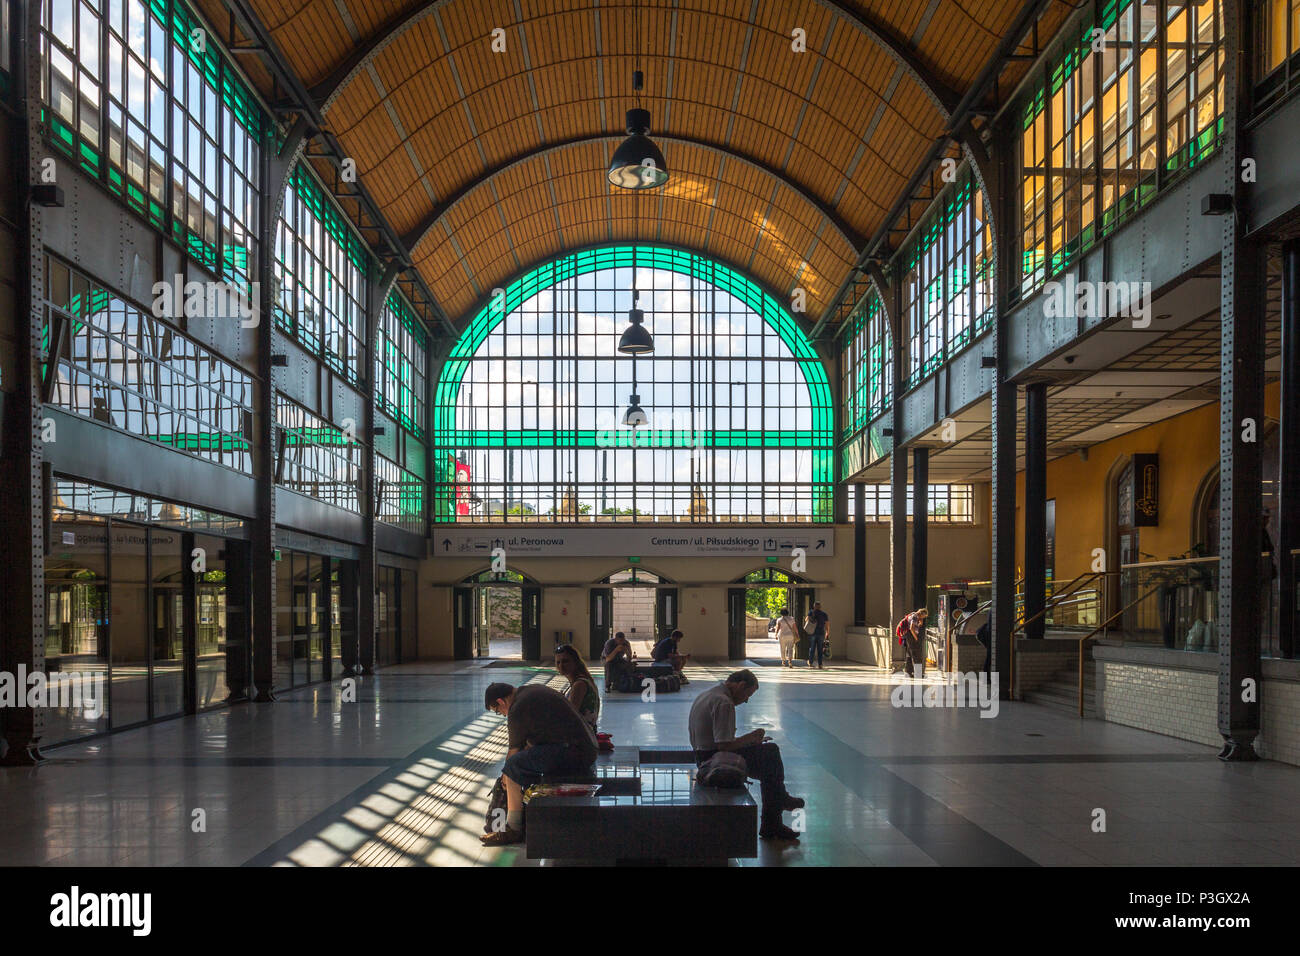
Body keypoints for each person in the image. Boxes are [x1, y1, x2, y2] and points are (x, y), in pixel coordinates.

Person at [688, 669, 805, 841]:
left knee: (768, 759)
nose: (746, 700)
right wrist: (751, 738)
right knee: (770, 754)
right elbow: (724, 745)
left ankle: (778, 806)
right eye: (747, 695)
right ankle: (775, 813)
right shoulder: (724, 702)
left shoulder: (708, 695)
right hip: (713, 763)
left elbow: (719, 741)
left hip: (702, 757)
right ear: (741, 686)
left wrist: (749, 742)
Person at [480, 681, 598, 846]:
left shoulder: (517, 708)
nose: (504, 715)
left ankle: (513, 828)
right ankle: (528, 814)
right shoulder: (533, 690)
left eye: (498, 711)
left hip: (575, 752)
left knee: (513, 766)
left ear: (501, 701)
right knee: (526, 760)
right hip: (586, 748)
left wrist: (505, 776)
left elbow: (513, 751)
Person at [555, 643, 600, 733]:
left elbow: (570, 716)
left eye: (565, 661)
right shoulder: (582, 680)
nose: (561, 666)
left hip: (580, 737)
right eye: (558, 662)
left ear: (575, 662)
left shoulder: (579, 684)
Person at [895, 607, 929, 678]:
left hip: (908, 635)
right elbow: (911, 628)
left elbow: (915, 627)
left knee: (909, 654)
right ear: (921, 613)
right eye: (924, 616)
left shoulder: (912, 614)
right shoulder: (915, 616)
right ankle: (918, 674)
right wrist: (916, 638)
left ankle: (908, 672)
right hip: (911, 636)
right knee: (916, 655)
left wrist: (920, 623)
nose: (924, 617)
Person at [804, 602, 829, 669]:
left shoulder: (811, 612)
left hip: (812, 633)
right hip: (821, 633)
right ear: (820, 607)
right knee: (820, 649)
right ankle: (820, 664)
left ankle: (811, 662)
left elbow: (806, 619)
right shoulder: (824, 614)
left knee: (812, 648)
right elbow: (827, 624)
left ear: (814, 606)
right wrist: (827, 632)